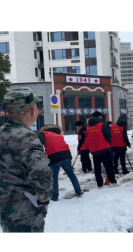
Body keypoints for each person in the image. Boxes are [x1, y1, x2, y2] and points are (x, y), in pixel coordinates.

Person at [0, 88, 53, 233]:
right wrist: (43, 198)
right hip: (25, 214)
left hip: (4, 209)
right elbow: (42, 172)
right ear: (32, 110)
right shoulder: (27, 138)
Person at [39, 125, 83, 201]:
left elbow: (38, 144)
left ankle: (55, 196)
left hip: (54, 156)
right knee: (71, 174)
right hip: (66, 154)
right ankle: (78, 191)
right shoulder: (58, 135)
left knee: (54, 177)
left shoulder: (43, 134)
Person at [88, 111, 119, 188]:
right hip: (103, 149)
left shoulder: (88, 127)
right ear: (99, 117)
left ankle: (99, 184)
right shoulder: (102, 125)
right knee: (109, 166)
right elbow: (108, 136)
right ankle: (112, 181)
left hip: (94, 150)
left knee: (97, 168)